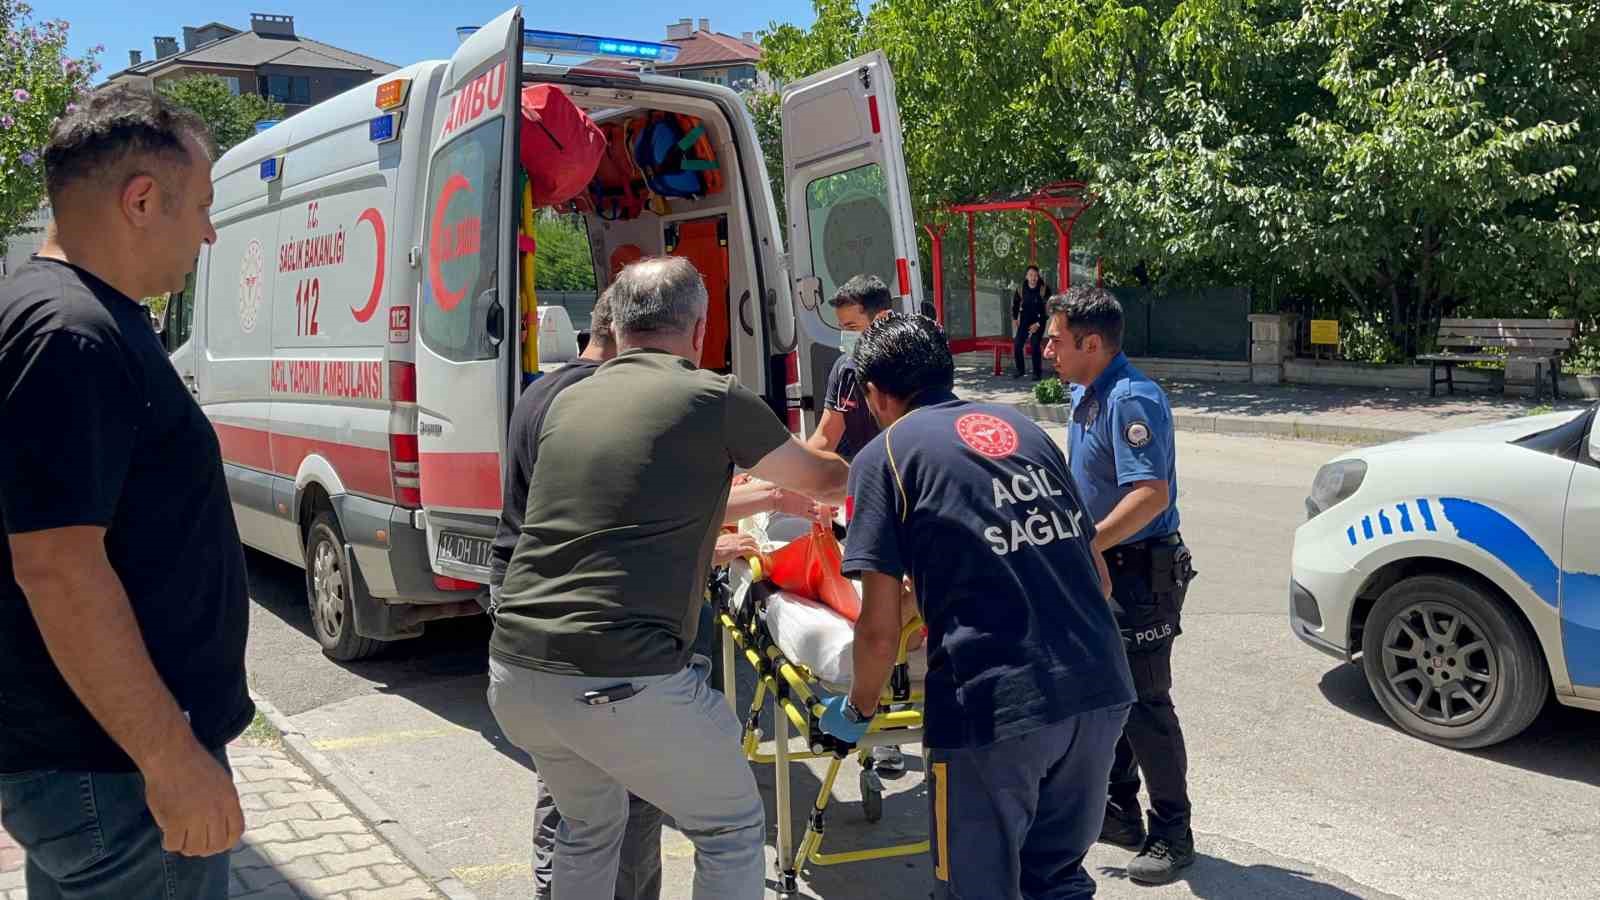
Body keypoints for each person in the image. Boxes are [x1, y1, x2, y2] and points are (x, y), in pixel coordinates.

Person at [487, 256, 849, 899]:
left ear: (616, 324)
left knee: (588, 825)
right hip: (618, 674)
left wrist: (763, 497)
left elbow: (638, 507)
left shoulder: (567, 400)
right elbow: (824, 479)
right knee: (731, 826)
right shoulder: (710, 397)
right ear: (702, 326)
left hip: (516, 671)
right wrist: (887, 455)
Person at [0, 85, 251, 898]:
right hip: (115, 771)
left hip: (89, 763)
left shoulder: (52, 312)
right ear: (142, 199)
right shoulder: (71, 334)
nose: (209, 233)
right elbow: (59, 568)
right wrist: (170, 759)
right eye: (203, 207)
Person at [817, 313, 1135, 899]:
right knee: (1057, 878)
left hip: (995, 710)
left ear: (875, 395)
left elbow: (879, 630)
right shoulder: (1023, 429)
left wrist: (857, 711)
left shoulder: (883, 459)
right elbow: (1096, 575)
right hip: (1100, 689)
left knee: (974, 888)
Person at [1044, 286, 1198, 885]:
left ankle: (1173, 832)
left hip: (1138, 570)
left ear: (1091, 343)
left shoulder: (1131, 398)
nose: (1046, 347)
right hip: (1106, 561)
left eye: (1056, 338)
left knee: (1147, 702)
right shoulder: (1087, 391)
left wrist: (1089, 542)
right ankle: (1119, 811)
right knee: (1113, 693)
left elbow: (1149, 494)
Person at [803, 273, 908, 774]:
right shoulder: (910, 356)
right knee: (902, 610)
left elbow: (827, 438)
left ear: (879, 315)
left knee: (875, 613)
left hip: (870, 500)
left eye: (852, 324)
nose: (847, 335)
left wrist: (789, 476)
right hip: (897, 500)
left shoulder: (856, 368)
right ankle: (887, 717)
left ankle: (875, 716)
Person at [1011, 265, 1050, 381]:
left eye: (1035, 275)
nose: (1033, 278)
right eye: (1031, 275)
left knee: (1034, 343)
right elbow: (1016, 304)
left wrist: (1038, 324)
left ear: (1038, 277)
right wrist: (1014, 318)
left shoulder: (1044, 289)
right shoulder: (1021, 289)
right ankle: (1020, 370)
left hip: (1039, 321)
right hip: (1024, 320)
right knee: (1017, 344)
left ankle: (1037, 373)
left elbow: (1048, 310)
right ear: (1026, 276)